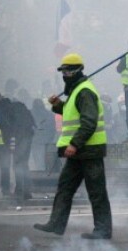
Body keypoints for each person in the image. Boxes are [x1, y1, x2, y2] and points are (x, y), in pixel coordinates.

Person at [34, 53, 113, 240]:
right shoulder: (77, 91)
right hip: (79, 152)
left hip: (89, 151)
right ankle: (56, 223)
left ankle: (103, 230)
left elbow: (89, 121)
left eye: (68, 71)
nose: (65, 74)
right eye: (63, 71)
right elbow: (71, 114)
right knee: (65, 187)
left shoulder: (84, 91)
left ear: (78, 70)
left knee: (96, 192)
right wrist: (57, 105)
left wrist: (74, 144)